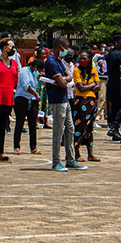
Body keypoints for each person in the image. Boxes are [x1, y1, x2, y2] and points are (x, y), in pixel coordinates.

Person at [44, 37, 87, 171]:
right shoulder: (51, 61)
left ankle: (70, 159)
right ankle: (56, 161)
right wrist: (64, 80)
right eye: (66, 48)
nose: (67, 51)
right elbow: (63, 84)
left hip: (64, 99)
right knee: (58, 130)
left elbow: (69, 77)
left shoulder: (59, 61)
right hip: (57, 100)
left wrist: (64, 79)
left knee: (70, 128)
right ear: (60, 47)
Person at [72, 50, 100, 162]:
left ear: (89, 59)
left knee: (89, 128)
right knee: (79, 127)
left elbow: (99, 86)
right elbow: (80, 88)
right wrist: (92, 85)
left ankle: (91, 154)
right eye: (81, 58)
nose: (82, 60)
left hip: (91, 102)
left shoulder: (93, 70)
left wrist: (88, 86)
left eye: (85, 58)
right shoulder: (76, 70)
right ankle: (77, 153)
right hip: (80, 102)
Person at [14, 58, 43, 155]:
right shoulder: (24, 71)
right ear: (35, 67)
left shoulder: (35, 75)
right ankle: (16, 146)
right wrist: (36, 94)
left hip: (33, 100)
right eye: (39, 70)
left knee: (32, 124)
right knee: (20, 123)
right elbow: (26, 86)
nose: (39, 72)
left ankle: (33, 147)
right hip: (22, 99)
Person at [105, 35, 121, 136]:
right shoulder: (119, 55)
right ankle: (114, 126)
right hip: (118, 82)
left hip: (111, 82)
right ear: (116, 43)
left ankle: (115, 130)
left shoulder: (110, 54)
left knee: (114, 107)